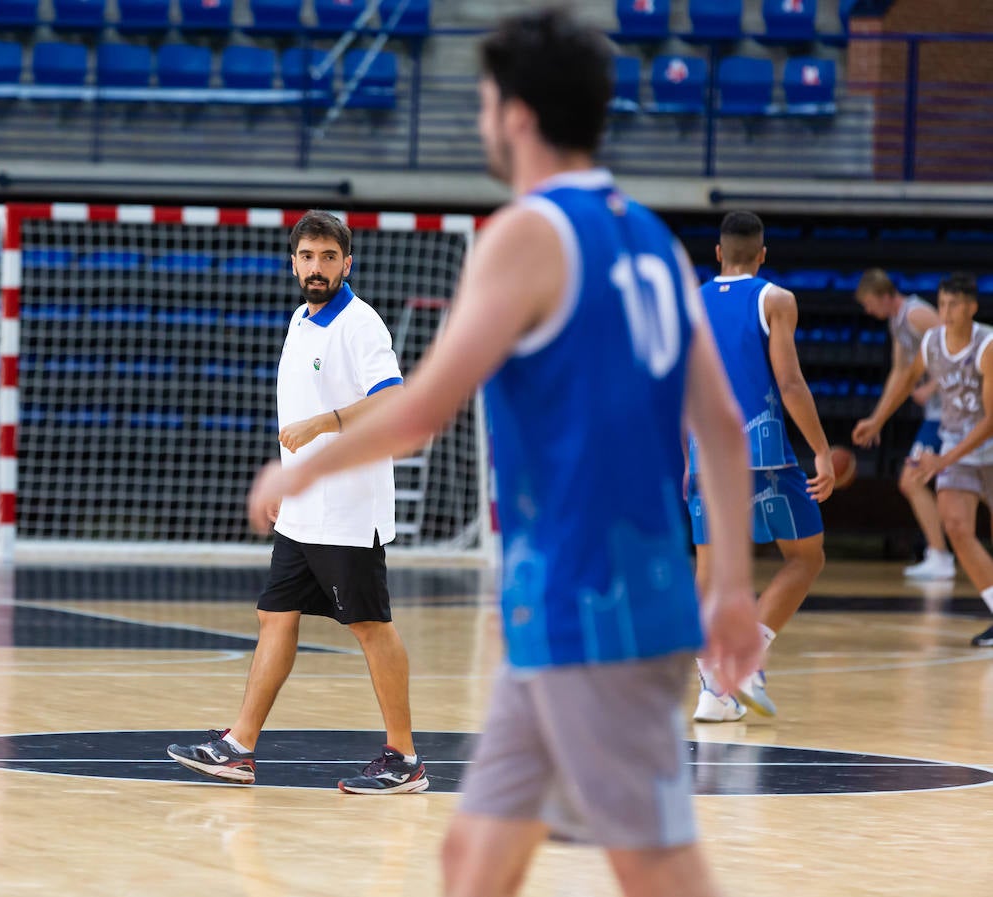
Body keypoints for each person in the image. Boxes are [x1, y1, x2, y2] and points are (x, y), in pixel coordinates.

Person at [246, 10, 761, 897]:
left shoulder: (527, 236)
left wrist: (304, 466)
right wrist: (730, 585)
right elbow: (716, 421)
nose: (482, 118)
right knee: (474, 859)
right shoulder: (653, 239)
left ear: (516, 114)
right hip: (580, 598)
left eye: (485, 101)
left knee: (656, 865)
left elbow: (418, 413)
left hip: (594, 600)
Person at [167, 210, 426, 794]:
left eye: (328, 257)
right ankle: (238, 748)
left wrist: (326, 424)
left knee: (370, 626)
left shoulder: (361, 325)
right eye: (307, 257)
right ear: (293, 263)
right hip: (305, 509)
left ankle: (405, 759)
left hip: (348, 512)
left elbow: (393, 399)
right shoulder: (299, 321)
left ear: (347, 263)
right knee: (274, 616)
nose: (317, 267)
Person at [686, 211, 834, 723]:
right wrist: (820, 448)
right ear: (763, 254)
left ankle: (713, 689)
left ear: (719, 254)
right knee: (805, 556)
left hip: (705, 448)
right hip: (763, 450)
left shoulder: (692, 301)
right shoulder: (776, 299)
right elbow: (790, 383)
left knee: (710, 573)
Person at [858, 273, 993, 647]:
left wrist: (944, 458)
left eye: (954, 305)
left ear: (972, 307)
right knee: (956, 526)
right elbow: (906, 377)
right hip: (956, 444)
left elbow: (991, 420)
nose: (946, 312)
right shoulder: (932, 341)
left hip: (987, 447)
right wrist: (877, 418)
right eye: (943, 303)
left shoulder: (987, 346)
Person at [852, 269, 954, 580]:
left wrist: (933, 385)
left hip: (952, 413)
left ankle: (940, 556)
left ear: (885, 296)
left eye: (870, 303)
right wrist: (877, 419)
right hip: (939, 416)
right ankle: (940, 555)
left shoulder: (917, 314)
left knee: (912, 480)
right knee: (918, 482)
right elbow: (899, 373)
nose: (868, 310)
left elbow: (955, 347)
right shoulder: (898, 322)